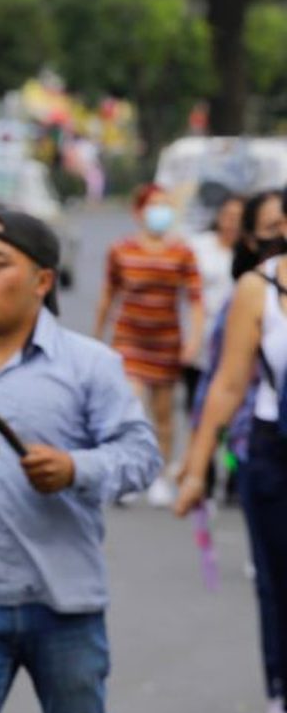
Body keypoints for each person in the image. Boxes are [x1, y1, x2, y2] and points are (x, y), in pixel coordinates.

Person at [0, 209, 161, 713]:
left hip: (65, 602)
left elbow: (142, 456)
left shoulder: (90, 366)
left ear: (43, 280)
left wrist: (76, 469)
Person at [176, 193, 287, 713]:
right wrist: (196, 468)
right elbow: (226, 384)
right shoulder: (259, 288)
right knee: (276, 578)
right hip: (271, 451)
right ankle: (280, 689)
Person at [93, 183, 203, 508]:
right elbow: (107, 296)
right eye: (154, 205)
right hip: (129, 340)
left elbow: (195, 301)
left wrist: (194, 340)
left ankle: (160, 475)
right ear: (139, 212)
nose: (161, 212)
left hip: (166, 342)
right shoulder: (121, 250)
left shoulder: (182, 252)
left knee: (163, 414)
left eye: (166, 205)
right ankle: (128, 474)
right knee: (131, 406)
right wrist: (97, 339)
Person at [184, 194, 243, 412]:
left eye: (239, 217)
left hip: (235, 341)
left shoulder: (249, 254)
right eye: (228, 216)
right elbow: (189, 296)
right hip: (201, 338)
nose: (232, 222)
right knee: (196, 407)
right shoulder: (197, 246)